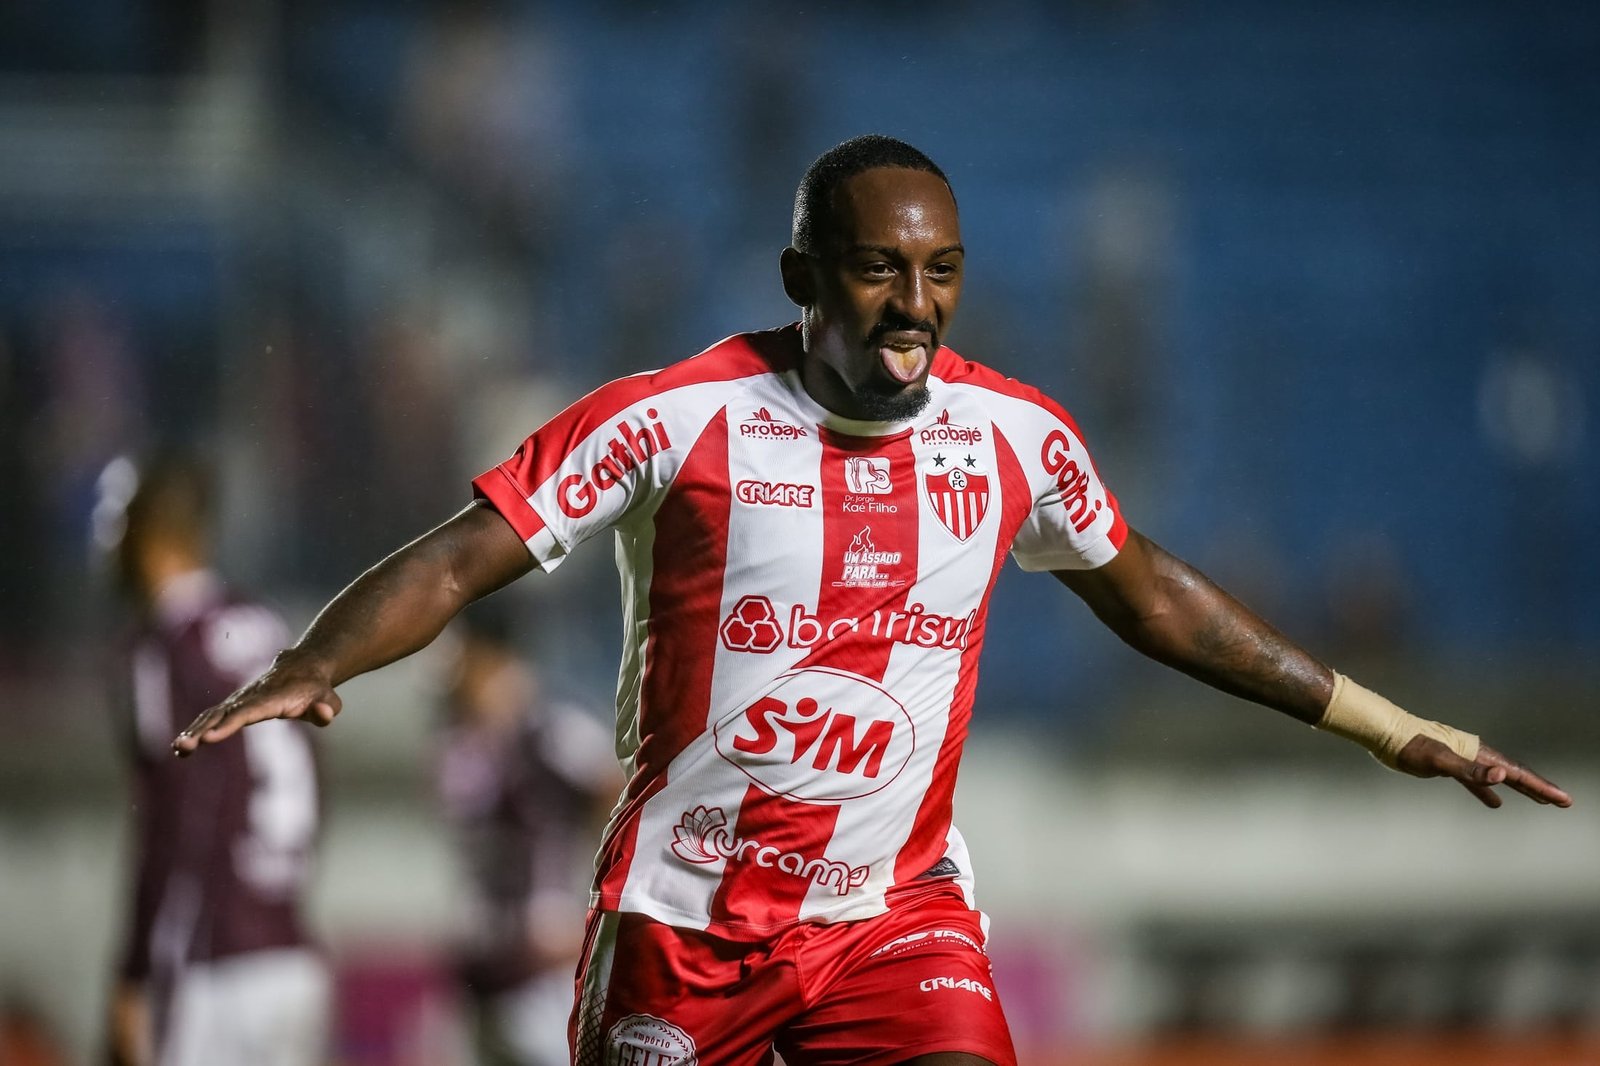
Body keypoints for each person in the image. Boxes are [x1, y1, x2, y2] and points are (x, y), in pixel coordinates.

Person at [172, 135, 1571, 1065]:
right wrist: (308, 658)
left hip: (894, 916)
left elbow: (1155, 597)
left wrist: (1390, 724)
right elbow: (459, 556)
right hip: (683, 922)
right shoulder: (675, 419)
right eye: (879, 268)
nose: (917, 302)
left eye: (941, 271)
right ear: (802, 279)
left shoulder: (1015, 436)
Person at [102, 453, 327, 1066]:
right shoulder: (264, 622)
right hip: (289, 951)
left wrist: (131, 974)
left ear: (145, 533)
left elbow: (166, 823)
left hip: (211, 967)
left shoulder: (165, 646)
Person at [436, 604, 622, 1065]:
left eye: (454, 651)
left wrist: (595, 920)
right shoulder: (460, 740)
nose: (442, 667)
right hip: (484, 963)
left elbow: (626, 808)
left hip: (545, 964)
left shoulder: (553, 731)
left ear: (488, 655)